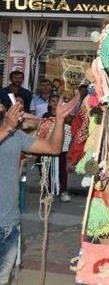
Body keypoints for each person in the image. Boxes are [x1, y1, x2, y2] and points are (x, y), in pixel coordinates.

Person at [1, 93, 76, 284]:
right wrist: (7, 128)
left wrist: (59, 119)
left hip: (10, 224)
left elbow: (53, 148)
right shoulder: (9, 130)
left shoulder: (15, 135)